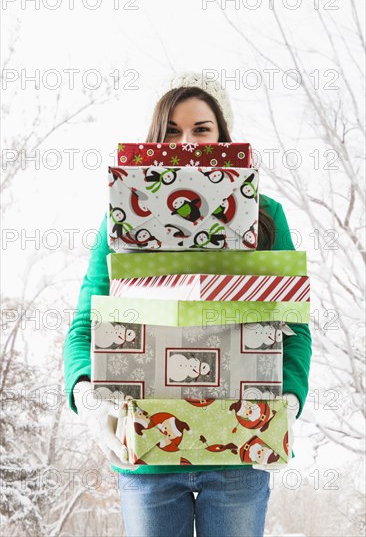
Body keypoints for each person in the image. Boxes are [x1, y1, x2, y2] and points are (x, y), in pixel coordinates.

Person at [63, 72, 312, 537]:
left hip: (239, 450)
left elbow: (292, 324)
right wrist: (90, 400)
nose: (187, 143)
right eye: (172, 131)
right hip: (146, 452)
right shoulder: (122, 224)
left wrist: (290, 402)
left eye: (202, 129)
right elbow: (85, 323)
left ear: (224, 137)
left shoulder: (265, 217)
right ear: (155, 141)